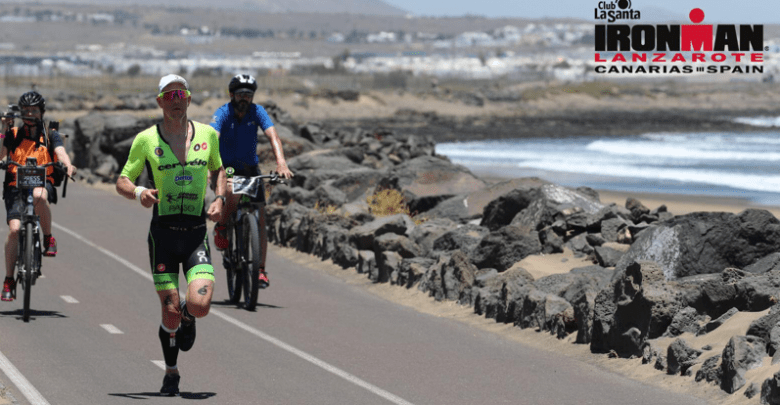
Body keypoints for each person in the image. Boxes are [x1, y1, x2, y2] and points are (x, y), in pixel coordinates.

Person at [116, 74, 227, 396]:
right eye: (169, 95)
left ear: (189, 99)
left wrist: (219, 198)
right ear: (160, 102)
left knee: (199, 305)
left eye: (181, 93)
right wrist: (138, 193)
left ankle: (190, 319)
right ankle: (171, 372)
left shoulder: (208, 135)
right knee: (169, 308)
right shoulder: (146, 140)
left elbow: (219, 170)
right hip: (162, 236)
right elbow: (123, 179)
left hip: (195, 235)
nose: (176, 99)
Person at [209, 74, 293, 288]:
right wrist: (210, 167)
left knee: (261, 217)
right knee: (232, 191)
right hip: (225, 167)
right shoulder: (223, 112)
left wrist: (281, 163)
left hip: (249, 169)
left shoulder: (258, 112)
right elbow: (212, 138)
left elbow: (273, 136)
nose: (245, 98)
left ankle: (261, 270)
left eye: (249, 94)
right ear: (232, 95)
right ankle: (222, 225)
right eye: (240, 94)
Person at [1, 91, 76, 302]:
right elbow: (1, 154)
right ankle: (8, 279)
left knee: (38, 195)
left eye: (34, 110)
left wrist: (68, 166)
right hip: (15, 187)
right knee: (15, 230)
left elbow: (61, 153)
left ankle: (48, 236)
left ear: (41, 112)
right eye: (25, 111)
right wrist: (3, 128)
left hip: (43, 183)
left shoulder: (50, 133)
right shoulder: (13, 134)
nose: (29, 114)